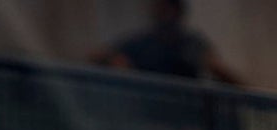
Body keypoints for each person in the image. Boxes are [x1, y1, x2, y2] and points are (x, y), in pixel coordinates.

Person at [90, 0, 244, 85]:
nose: (162, 16)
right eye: (159, 10)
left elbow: (218, 68)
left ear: (177, 12)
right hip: (150, 113)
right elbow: (102, 56)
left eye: (166, 10)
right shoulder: (142, 43)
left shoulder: (193, 43)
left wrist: (247, 90)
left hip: (186, 111)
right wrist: (116, 63)